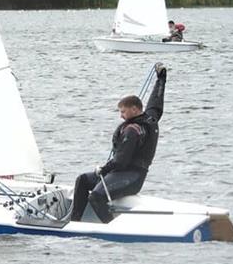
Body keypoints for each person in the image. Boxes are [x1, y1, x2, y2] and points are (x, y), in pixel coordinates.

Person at [70, 63, 166, 223]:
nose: (121, 116)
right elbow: (156, 102)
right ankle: (74, 222)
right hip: (119, 174)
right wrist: (161, 78)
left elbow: (121, 161)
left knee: (96, 197)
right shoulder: (151, 117)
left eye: (123, 111)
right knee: (83, 180)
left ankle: (111, 227)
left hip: (132, 177)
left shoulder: (133, 130)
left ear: (135, 110)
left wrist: (103, 169)